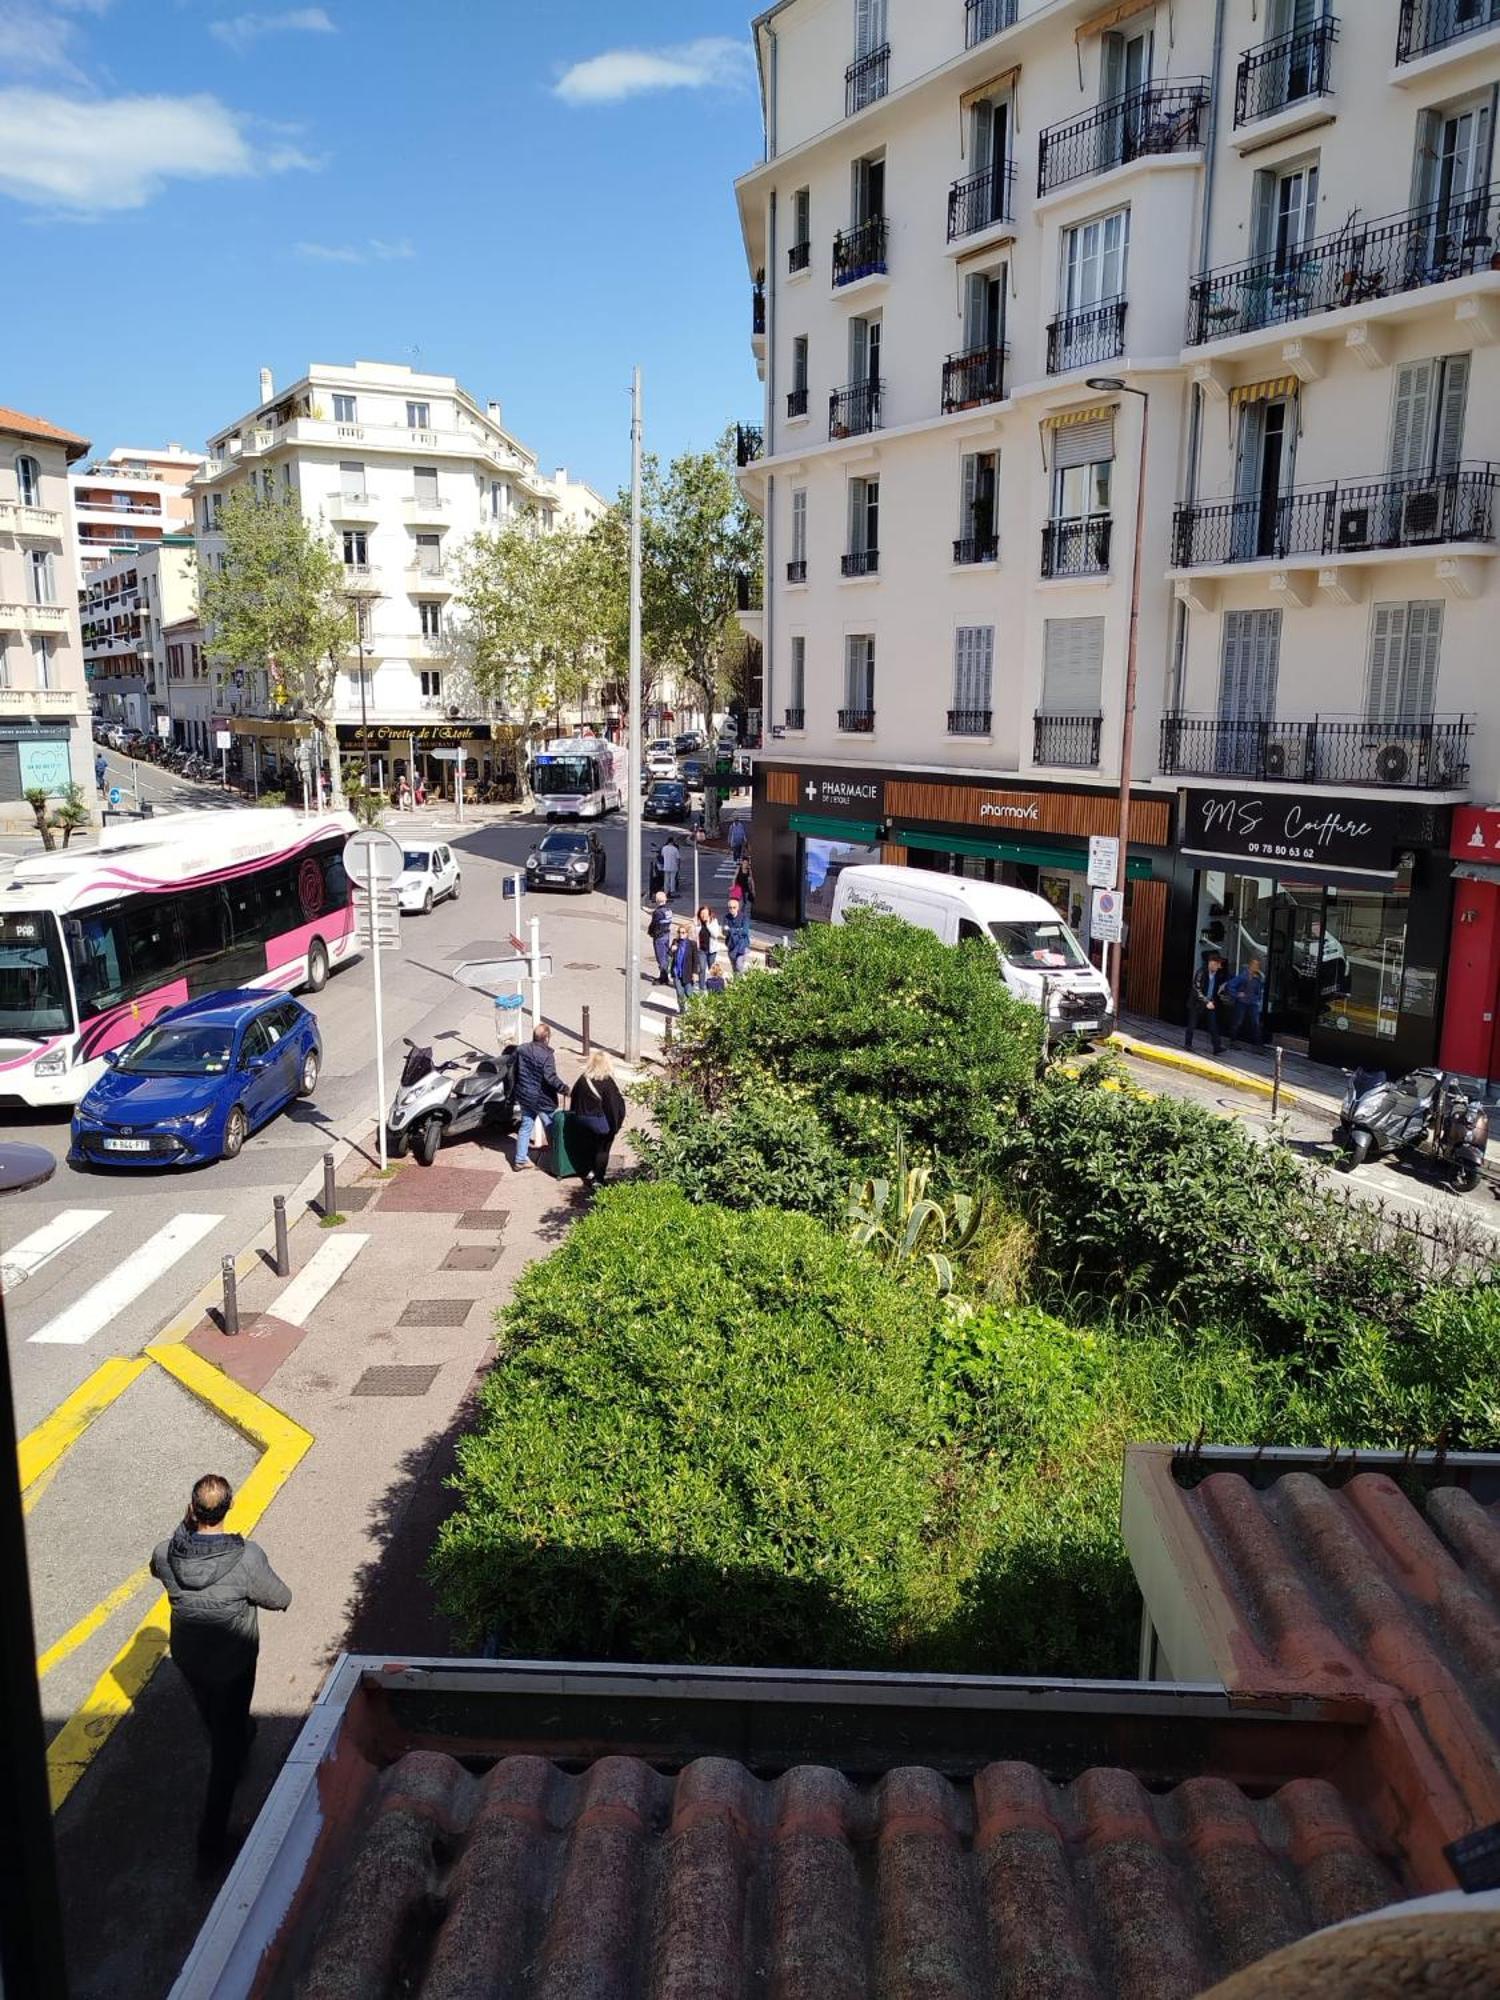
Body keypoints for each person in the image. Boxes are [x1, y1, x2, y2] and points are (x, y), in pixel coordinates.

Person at [150, 1473, 291, 1867]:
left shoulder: (166, 1554)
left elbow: (156, 1568)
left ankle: (237, 1735)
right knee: (224, 1756)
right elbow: (281, 1598)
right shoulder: (246, 1558)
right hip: (234, 1662)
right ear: (228, 1508)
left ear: (192, 1509)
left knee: (215, 1716)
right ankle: (209, 1848)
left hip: (190, 1658)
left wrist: (183, 1528)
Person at [567, 1049, 627, 1188]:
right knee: (603, 1149)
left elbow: (574, 1098)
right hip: (599, 1123)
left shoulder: (583, 1079)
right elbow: (613, 1106)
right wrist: (615, 1126)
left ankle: (589, 1171)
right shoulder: (607, 1082)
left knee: (589, 1145)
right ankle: (598, 1179)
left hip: (581, 1120)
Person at [512, 1022, 565, 1172]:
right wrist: (564, 1089)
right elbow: (551, 1078)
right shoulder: (547, 1055)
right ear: (546, 1038)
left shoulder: (521, 1049)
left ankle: (520, 1160)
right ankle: (557, 1160)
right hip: (542, 1099)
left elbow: (514, 1069)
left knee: (525, 1126)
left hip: (525, 1096)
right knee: (550, 1127)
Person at [1186, 953, 1228, 1055]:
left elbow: (1219, 986)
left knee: (1213, 1025)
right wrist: (1206, 1001)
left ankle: (1216, 1047)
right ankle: (1188, 1044)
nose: (1219, 967)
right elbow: (1197, 989)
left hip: (1210, 1003)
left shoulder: (1217, 974)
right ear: (1211, 963)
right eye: (1218, 964)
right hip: (1197, 1003)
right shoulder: (1201, 972)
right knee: (1192, 1025)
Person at [1224, 957, 1265, 1049]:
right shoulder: (1243, 976)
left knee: (1256, 1023)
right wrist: (1236, 994)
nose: (1255, 967)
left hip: (1253, 1003)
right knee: (1238, 1022)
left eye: (1257, 965)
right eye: (1254, 965)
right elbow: (1230, 985)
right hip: (1242, 1002)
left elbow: (1259, 989)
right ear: (1250, 965)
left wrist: (1258, 998)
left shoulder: (1258, 977)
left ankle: (1258, 1045)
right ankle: (1233, 1041)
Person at [668, 924, 700, 1009]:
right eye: (679, 932)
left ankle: (695, 1010)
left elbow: (695, 959)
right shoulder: (675, 941)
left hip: (688, 973)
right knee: (680, 993)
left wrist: (695, 973)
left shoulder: (692, 944)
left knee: (689, 993)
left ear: (687, 934)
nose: (681, 934)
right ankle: (682, 1010)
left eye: (683, 932)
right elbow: (669, 954)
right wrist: (672, 950)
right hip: (677, 973)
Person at [648, 891, 673, 984]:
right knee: (665, 956)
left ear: (656, 900)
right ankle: (664, 975)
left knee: (661, 957)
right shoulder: (668, 911)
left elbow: (654, 924)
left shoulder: (658, 912)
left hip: (659, 936)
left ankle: (663, 977)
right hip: (666, 934)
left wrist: (650, 932)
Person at [695, 904, 722, 991]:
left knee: (712, 968)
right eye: (702, 914)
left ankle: (715, 986)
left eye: (705, 914)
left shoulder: (714, 921)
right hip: (701, 950)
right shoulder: (697, 923)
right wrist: (697, 925)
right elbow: (694, 935)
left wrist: (708, 925)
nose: (703, 916)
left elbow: (716, 935)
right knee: (702, 968)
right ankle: (701, 987)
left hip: (712, 950)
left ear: (709, 914)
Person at [724, 896, 752, 978]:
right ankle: (736, 984)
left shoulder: (744, 917)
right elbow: (724, 931)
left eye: (734, 907)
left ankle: (739, 986)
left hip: (741, 946)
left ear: (738, 907)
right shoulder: (727, 917)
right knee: (734, 967)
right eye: (730, 907)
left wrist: (731, 930)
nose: (732, 909)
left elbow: (745, 931)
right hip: (731, 945)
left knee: (739, 965)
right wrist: (737, 930)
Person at [659, 834, 681, 900]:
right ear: (672, 842)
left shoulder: (664, 848)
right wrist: (678, 865)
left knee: (666, 879)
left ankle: (666, 891)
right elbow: (678, 858)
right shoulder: (675, 849)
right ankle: (672, 891)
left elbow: (662, 855)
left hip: (666, 866)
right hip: (673, 866)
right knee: (672, 879)